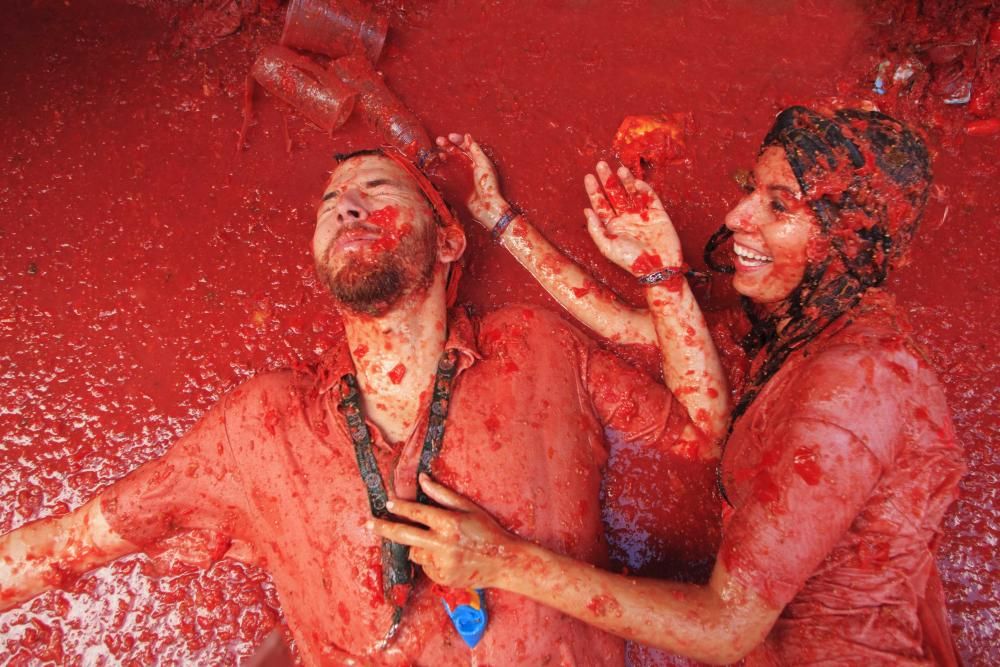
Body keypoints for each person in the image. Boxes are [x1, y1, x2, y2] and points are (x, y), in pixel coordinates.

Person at [0, 146, 722, 665]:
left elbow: (699, 431)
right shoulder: (261, 425)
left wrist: (661, 275)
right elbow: (74, 539)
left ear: (446, 240)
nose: (346, 204)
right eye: (330, 204)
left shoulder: (536, 349)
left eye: (376, 188)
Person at [375, 107, 966, 665]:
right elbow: (632, 326)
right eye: (751, 189)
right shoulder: (803, 322)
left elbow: (724, 626)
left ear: (848, 240)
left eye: (779, 206)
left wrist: (498, 559)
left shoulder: (855, 390)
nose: (737, 216)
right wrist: (499, 218)